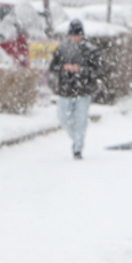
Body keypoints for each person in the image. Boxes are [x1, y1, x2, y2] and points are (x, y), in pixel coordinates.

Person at [48, 20, 99, 159]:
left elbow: (96, 71)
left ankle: (78, 148)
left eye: (78, 35)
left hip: (83, 91)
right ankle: (75, 137)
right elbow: (53, 67)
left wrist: (81, 70)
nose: (76, 38)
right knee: (63, 118)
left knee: (81, 121)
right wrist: (64, 68)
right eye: (73, 35)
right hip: (65, 90)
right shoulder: (62, 49)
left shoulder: (90, 50)